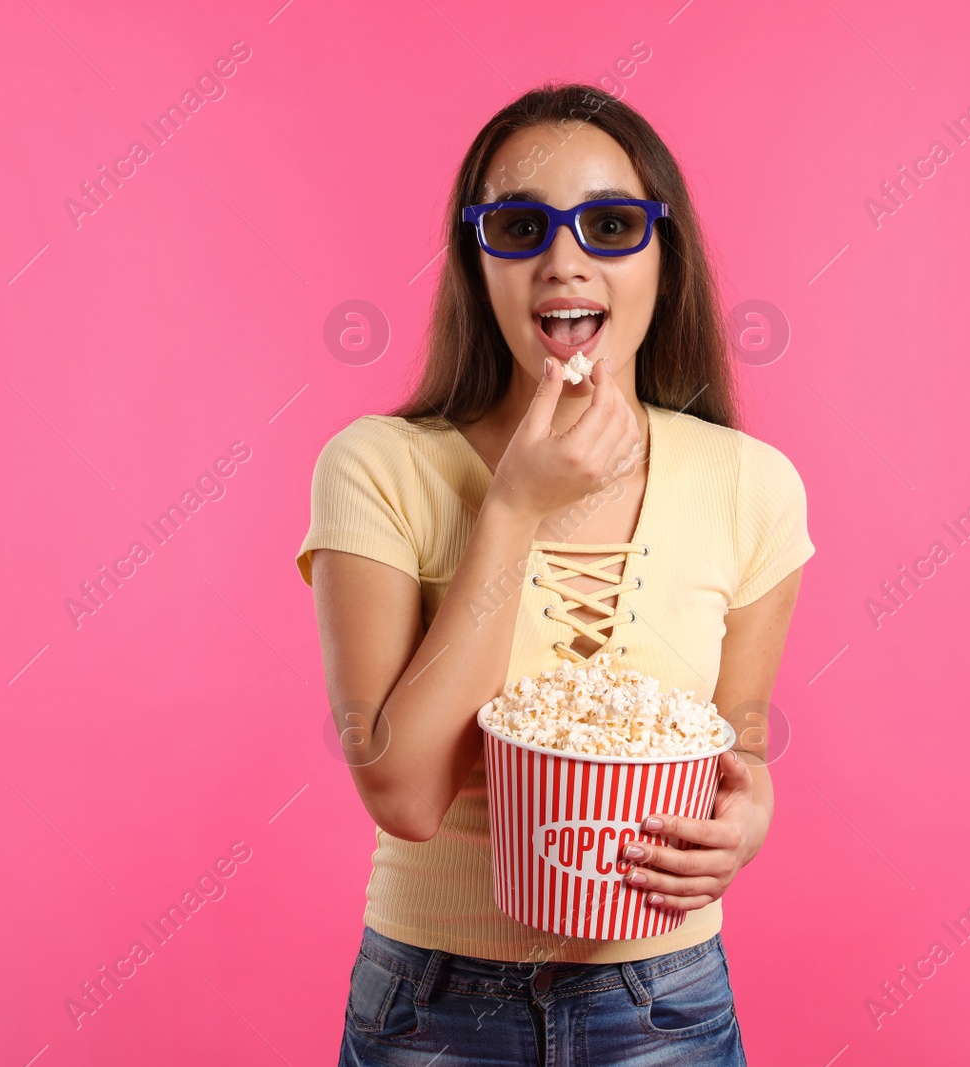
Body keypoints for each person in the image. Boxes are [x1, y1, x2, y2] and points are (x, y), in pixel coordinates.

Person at [296, 82, 814, 1066]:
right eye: (520, 224)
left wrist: (747, 820)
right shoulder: (376, 467)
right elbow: (403, 792)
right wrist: (514, 508)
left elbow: (732, 747)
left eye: (612, 223)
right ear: (473, 258)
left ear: (665, 257)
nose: (562, 259)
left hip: (664, 1002)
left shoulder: (751, 484)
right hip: (433, 1005)